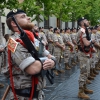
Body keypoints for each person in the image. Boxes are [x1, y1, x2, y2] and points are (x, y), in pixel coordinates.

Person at [6, 9, 56, 100]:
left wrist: (52, 61)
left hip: (38, 93)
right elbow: (33, 68)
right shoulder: (12, 42)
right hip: (23, 96)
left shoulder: (33, 39)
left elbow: (50, 56)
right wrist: (48, 62)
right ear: (13, 23)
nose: (28, 18)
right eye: (23, 16)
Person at [77, 17, 95, 99]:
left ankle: (84, 88)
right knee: (84, 73)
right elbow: (86, 43)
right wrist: (92, 41)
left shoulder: (84, 30)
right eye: (85, 21)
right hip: (83, 54)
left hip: (86, 53)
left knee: (86, 71)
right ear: (82, 23)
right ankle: (80, 92)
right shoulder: (82, 31)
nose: (88, 21)